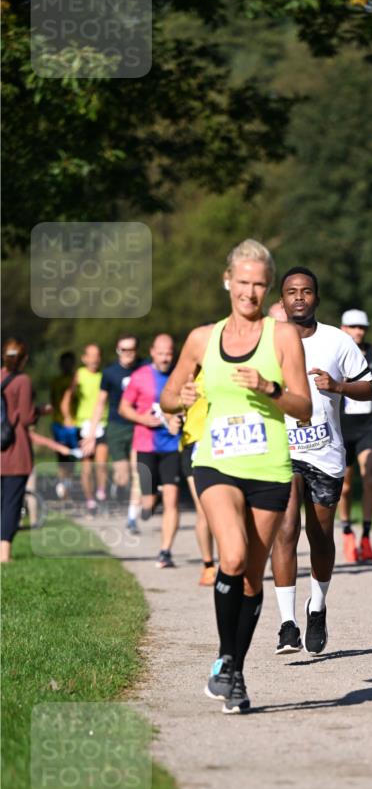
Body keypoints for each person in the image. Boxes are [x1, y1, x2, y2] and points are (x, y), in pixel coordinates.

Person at [160, 238, 311, 714]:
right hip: (216, 462)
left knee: (250, 578)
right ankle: (227, 659)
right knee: (233, 555)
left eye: (259, 284)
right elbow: (168, 396)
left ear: (269, 288)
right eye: (242, 282)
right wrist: (181, 397)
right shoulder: (201, 339)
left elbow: (304, 408)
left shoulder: (282, 337)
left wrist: (269, 388)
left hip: (268, 467)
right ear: (227, 281)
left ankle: (234, 671)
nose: (249, 292)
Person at [271, 268, 372, 655]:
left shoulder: (338, 341)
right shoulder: (267, 341)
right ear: (282, 300)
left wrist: (338, 386)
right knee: (285, 529)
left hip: (326, 453)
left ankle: (317, 606)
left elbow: (369, 388)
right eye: (291, 291)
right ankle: (287, 624)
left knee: (320, 536)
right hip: (282, 452)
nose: (299, 297)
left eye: (306, 291)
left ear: (317, 298)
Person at [1, 339, 70, 561]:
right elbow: (26, 417)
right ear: (25, 359)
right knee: (11, 502)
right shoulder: (23, 381)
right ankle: (4, 553)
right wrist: (41, 410)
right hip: (14, 450)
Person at [119, 334, 181, 568]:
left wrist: (179, 418)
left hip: (172, 445)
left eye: (169, 353)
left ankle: (165, 551)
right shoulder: (140, 376)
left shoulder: (180, 375)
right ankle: (151, 500)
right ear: (152, 352)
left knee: (172, 500)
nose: (165, 358)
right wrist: (142, 418)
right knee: (148, 501)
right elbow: (123, 408)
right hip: (146, 445)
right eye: (161, 353)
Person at [82, 334, 143, 534]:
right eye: (124, 349)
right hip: (117, 427)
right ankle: (117, 486)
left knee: (137, 471)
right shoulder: (109, 373)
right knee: (123, 476)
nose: (128, 353)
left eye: (131, 349)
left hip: (139, 426)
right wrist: (91, 434)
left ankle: (132, 517)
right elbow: (100, 403)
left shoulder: (144, 368)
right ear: (118, 351)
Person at [339, 309, 372, 562]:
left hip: (368, 426)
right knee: (345, 487)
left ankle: (366, 537)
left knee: (371, 478)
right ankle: (347, 531)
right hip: (343, 427)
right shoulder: (335, 352)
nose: (359, 331)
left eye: (362, 327)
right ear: (343, 328)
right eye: (354, 327)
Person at [179, 364, 218, 586]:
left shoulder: (229, 366)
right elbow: (168, 403)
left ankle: (233, 564)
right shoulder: (188, 371)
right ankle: (208, 565)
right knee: (204, 509)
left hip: (224, 443)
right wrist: (172, 416)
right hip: (194, 443)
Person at [61, 343, 108, 516]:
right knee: (86, 467)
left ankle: (101, 492)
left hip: (102, 423)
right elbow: (68, 397)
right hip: (84, 424)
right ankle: (90, 500)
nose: (94, 359)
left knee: (101, 463)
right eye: (91, 355)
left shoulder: (104, 376)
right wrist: (67, 416)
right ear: (84, 358)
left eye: (97, 355)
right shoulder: (79, 374)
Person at [49, 351, 77, 499]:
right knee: (62, 458)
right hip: (59, 425)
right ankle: (63, 488)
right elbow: (53, 401)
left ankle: (68, 488)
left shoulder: (76, 380)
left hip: (74, 424)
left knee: (72, 459)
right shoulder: (56, 381)